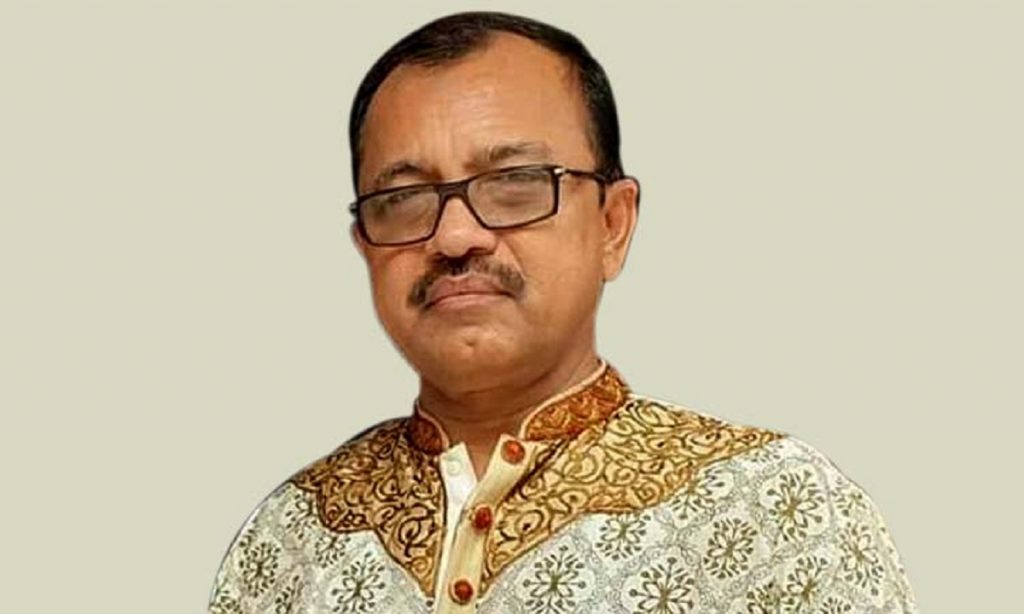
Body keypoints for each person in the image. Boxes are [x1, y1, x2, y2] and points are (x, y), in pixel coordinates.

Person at [209, 11, 916, 613]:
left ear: (613, 224)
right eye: (404, 199)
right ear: (365, 246)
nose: (454, 237)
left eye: (515, 183)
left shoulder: (774, 510)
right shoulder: (290, 537)